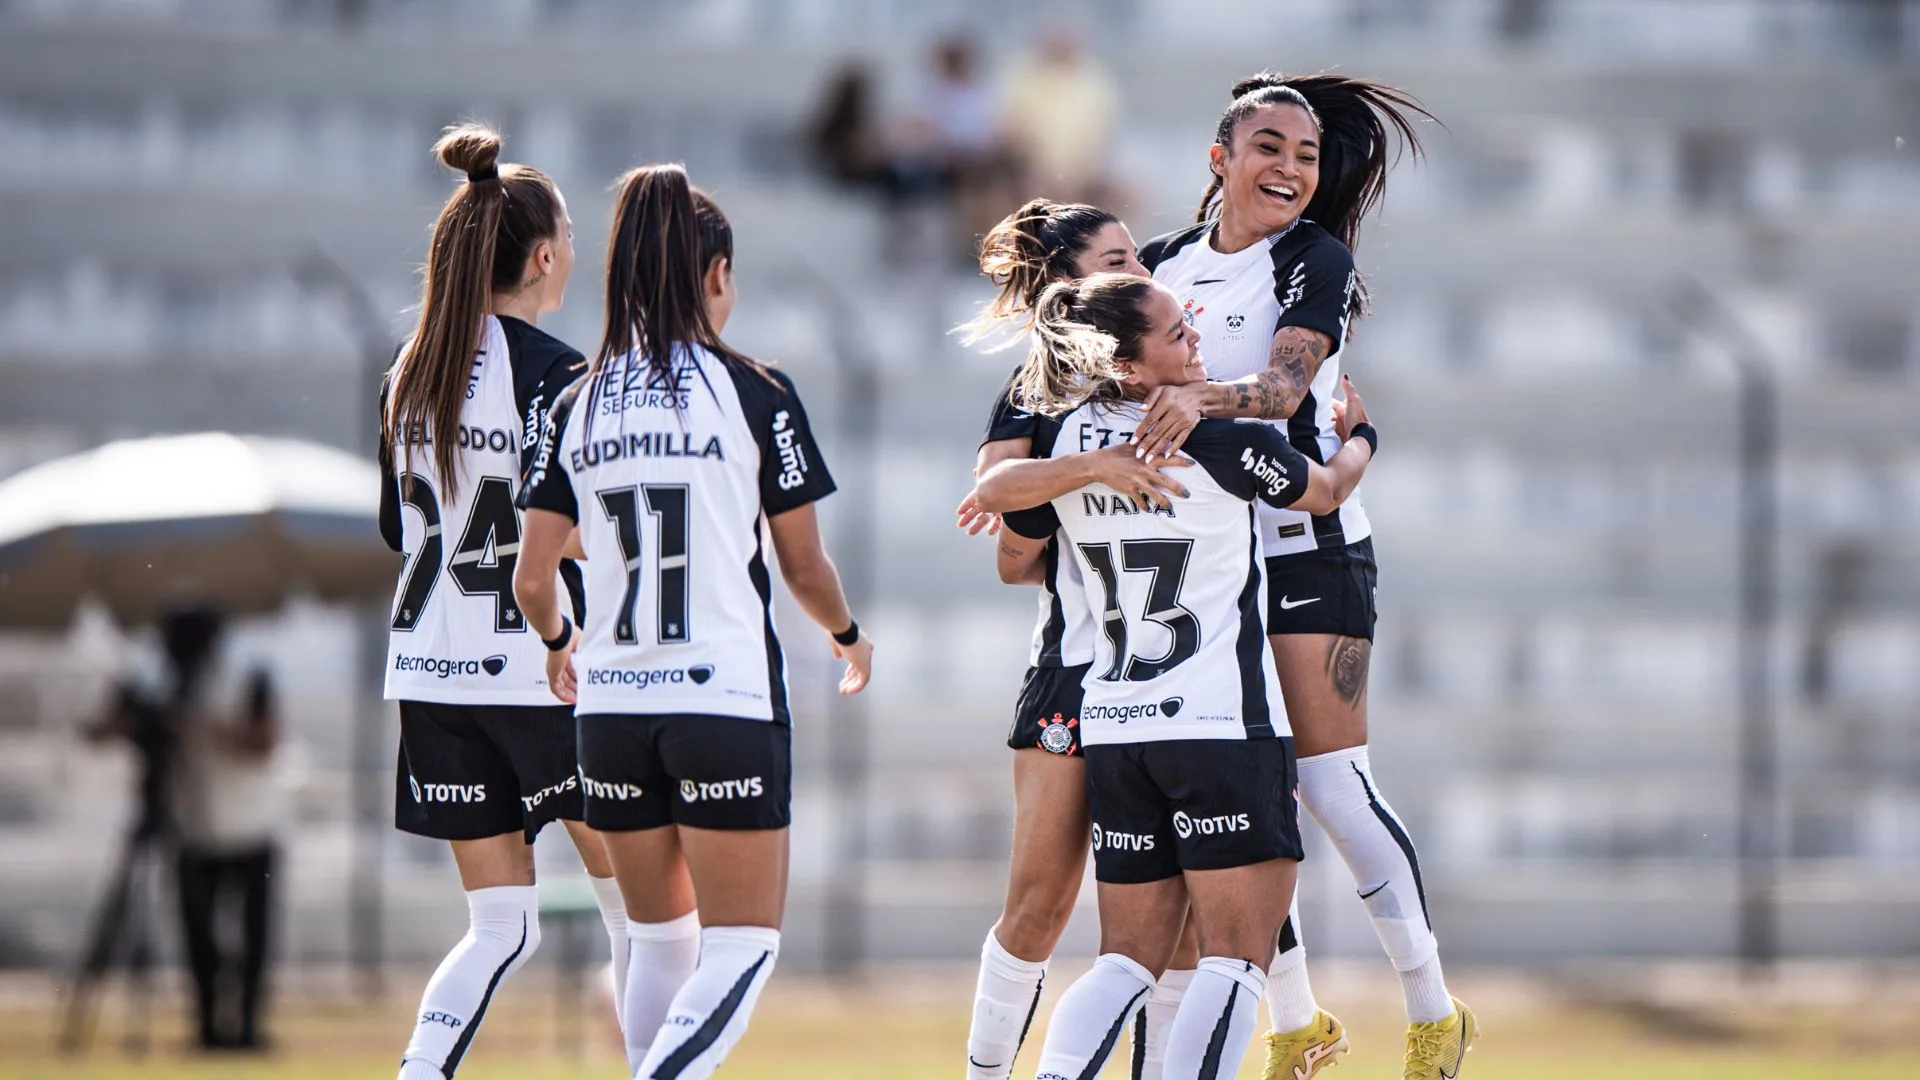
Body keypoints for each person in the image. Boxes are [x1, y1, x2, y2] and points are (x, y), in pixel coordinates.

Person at [1128, 73, 1475, 1079]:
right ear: (1219, 158)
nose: (1289, 168)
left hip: (1312, 549)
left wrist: (1201, 399)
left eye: (1307, 155)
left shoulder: (1313, 259)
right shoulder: (1160, 266)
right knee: (1241, 789)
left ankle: (1432, 1010)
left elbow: (1281, 393)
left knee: (1329, 782)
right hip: (1206, 564)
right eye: (1269, 147)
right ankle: (1298, 1024)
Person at [514, 163, 873, 1080]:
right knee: (743, 948)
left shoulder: (573, 401)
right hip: (722, 702)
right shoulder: (755, 391)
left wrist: (563, 647)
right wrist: (846, 635)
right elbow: (803, 567)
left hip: (611, 708)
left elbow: (532, 576)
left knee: (659, 942)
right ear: (715, 276)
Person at [985, 273, 1375, 1080]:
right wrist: (1366, 434)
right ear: (1131, 368)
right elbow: (1328, 492)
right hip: (1218, 728)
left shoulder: (1067, 445)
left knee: (1127, 960)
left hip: (1120, 732)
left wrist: (1096, 468)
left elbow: (997, 502)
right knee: (1234, 961)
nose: (1199, 342)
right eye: (1177, 335)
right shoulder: (1222, 438)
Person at [378, 123, 632, 1080]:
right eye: (568, 236)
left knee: (498, 927)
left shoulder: (412, 369)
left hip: (431, 674)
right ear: (541, 255)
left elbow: (397, 531)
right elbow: (586, 533)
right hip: (542, 667)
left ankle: (419, 1072)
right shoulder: (559, 374)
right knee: (639, 911)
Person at [953, 199, 1194, 1080]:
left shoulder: (1179, 376)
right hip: (1076, 669)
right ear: (1068, 280)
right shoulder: (1038, 391)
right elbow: (1007, 537)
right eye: (1119, 258)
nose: (1142, 270)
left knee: (1183, 922)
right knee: (1042, 904)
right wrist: (1079, 483)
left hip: (1178, 679)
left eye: (1139, 258)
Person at [91, 606, 286, 1052]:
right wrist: (138, 714)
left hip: (252, 825)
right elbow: (99, 731)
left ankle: (249, 1029)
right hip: (192, 828)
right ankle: (208, 1030)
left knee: (253, 938)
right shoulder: (156, 682)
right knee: (198, 938)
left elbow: (265, 741)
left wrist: (194, 726)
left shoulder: (246, 675)